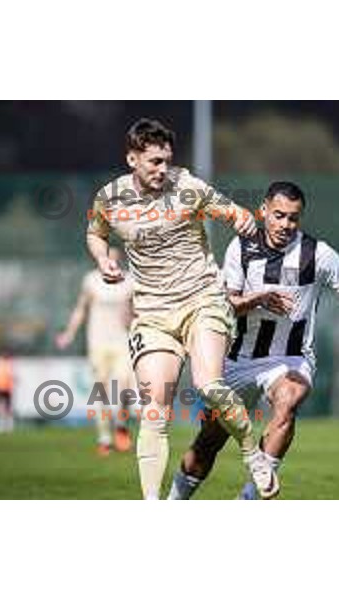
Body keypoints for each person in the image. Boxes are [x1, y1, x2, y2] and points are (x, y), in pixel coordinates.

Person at [167, 181, 339, 500]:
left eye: (293, 218)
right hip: (239, 360)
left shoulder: (317, 254)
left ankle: (249, 500)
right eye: (279, 215)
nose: (285, 224)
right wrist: (258, 299)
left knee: (288, 401)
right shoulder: (242, 248)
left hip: (291, 359)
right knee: (208, 442)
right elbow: (224, 306)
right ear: (264, 210)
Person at [86, 118, 278, 499]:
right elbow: (95, 232)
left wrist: (248, 226)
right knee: (154, 409)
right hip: (153, 314)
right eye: (154, 161)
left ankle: (251, 451)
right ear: (132, 159)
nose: (162, 169)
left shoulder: (189, 187)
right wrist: (103, 259)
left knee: (209, 386)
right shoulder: (109, 198)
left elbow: (239, 217)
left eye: (166, 160)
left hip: (202, 299)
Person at [56, 247, 134, 455]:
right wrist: (68, 334)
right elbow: (81, 308)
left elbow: (136, 312)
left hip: (122, 343)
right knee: (100, 391)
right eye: (109, 258)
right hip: (98, 343)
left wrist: (132, 318)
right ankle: (104, 438)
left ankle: (121, 424)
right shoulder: (91, 280)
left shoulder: (129, 281)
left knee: (123, 385)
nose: (112, 262)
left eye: (116, 258)